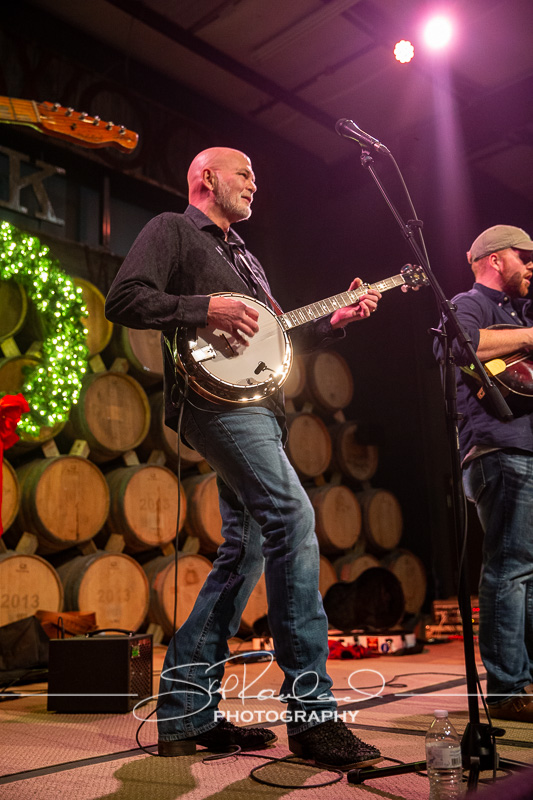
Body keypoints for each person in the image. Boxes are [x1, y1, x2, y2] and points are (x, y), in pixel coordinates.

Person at [105, 146, 383, 767]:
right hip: (217, 407)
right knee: (295, 520)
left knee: (246, 550)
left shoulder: (246, 258)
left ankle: (183, 711)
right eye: (246, 173)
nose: (257, 183)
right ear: (207, 178)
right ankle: (313, 717)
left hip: (261, 406)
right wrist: (204, 307)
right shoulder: (174, 230)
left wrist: (333, 320)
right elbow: (123, 299)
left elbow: (272, 333)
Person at [433, 224, 533, 722]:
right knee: (511, 567)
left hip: (526, 449)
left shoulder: (522, 310)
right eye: (525, 255)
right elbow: (456, 346)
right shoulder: (468, 302)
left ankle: (524, 678)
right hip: (499, 449)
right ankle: (508, 687)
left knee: (527, 572)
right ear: (496, 259)